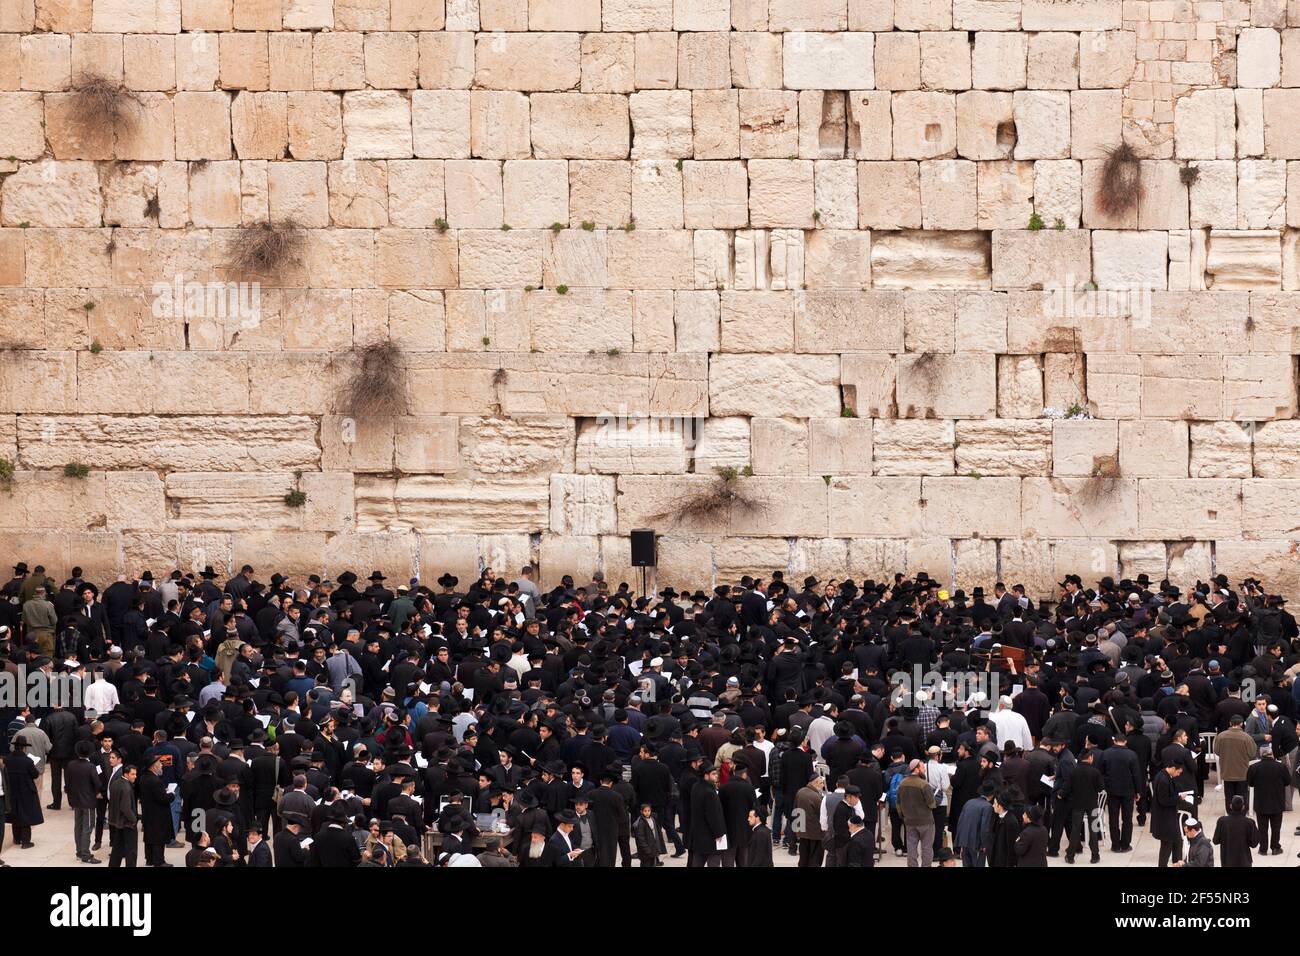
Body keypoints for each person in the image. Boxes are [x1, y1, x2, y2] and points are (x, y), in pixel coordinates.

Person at [64, 740, 103, 864]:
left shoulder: (71, 765)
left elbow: (67, 783)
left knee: (78, 827)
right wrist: (98, 792)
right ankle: (85, 854)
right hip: (88, 802)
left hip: (76, 801)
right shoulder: (90, 766)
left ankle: (79, 851)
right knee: (87, 827)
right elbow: (97, 783)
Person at [1246, 743, 1289, 855]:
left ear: (1261, 755)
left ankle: (1263, 849)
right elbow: (1287, 781)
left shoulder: (1254, 767)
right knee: (1276, 827)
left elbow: (1250, 783)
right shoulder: (1281, 767)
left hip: (1261, 802)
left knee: (1262, 828)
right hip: (1277, 802)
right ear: (1272, 754)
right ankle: (1275, 847)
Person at [1151, 761, 1194, 867]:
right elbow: (1164, 800)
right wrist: (1179, 798)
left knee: (1177, 842)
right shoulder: (1163, 780)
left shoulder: (1166, 777)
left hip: (1169, 818)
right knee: (1166, 847)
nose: (1178, 775)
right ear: (1173, 768)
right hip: (1165, 819)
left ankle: (1177, 864)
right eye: (1178, 772)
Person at [896, 759, 937, 868]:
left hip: (909, 821)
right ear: (917, 769)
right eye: (922, 767)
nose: (924, 769)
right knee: (927, 848)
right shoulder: (924, 784)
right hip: (926, 822)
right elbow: (932, 804)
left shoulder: (902, 783)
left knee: (911, 847)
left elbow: (898, 803)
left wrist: (903, 816)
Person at [3, 737, 42, 849]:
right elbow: (34, 774)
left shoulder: (7, 759)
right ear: (24, 748)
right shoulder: (28, 761)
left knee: (15, 813)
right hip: (26, 791)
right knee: (26, 815)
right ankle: (26, 842)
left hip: (12, 790)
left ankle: (16, 838)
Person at [1212, 795, 1260, 867]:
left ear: (1231, 806)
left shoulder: (1222, 821)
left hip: (1227, 861)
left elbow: (1215, 841)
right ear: (1243, 807)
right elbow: (1254, 844)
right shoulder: (1249, 822)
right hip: (1244, 861)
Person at [107, 763, 139, 868]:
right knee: (131, 851)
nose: (135, 777)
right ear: (126, 774)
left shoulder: (115, 783)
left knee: (117, 849)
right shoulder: (127, 788)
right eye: (133, 774)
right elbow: (125, 808)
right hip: (127, 823)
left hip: (117, 822)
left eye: (135, 774)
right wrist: (134, 819)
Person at [632, 803, 665, 867]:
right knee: (645, 864)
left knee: (652, 864)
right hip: (645, 851)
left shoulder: (652, 819)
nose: (647, 812)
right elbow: (640, 838)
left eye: (648, 811)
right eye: (645, 811)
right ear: (641, 812)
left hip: (652, 849)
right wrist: (646, 849)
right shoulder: (641, 822)